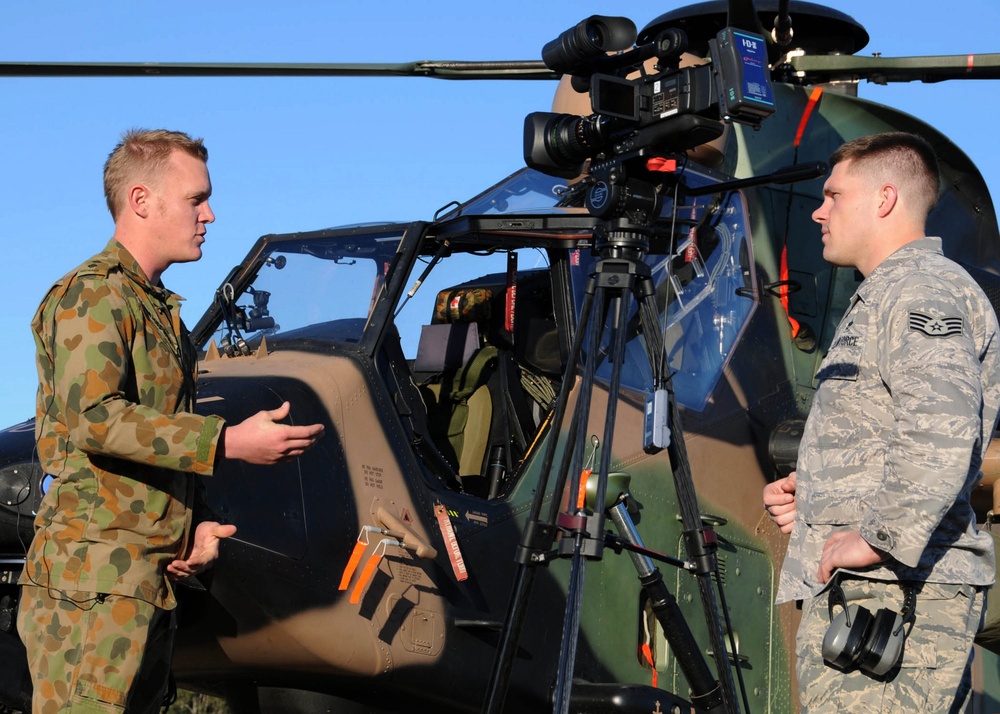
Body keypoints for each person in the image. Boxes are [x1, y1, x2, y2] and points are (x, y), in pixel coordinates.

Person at [16, 128, 325, 713]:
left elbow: (155, 439)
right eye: (195, 199)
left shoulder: (159, 312)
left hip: (145, 580)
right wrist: (228, 440)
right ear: (141, 201)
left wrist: (197, 527)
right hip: (92, 582)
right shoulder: (94, 297)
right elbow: (95, 419)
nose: (210, 214)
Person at [763, 131, 1000, 711]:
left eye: (833, 195)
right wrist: (818, 496)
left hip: (897, 591)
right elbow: (892, 431)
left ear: (885, 199)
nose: (818, 210)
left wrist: (877, 536)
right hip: (877, 592)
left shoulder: (920, 291)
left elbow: (940, 429)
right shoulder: (886, 296)